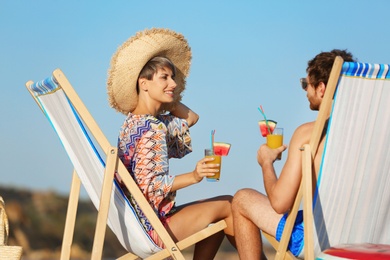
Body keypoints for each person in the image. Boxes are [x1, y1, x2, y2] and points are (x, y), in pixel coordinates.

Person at [107, 28, 236, 259]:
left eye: (173, 77)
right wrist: (195, 176)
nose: (174, 83)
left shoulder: (134, 123)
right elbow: (151, 186)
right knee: (230, 206)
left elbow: (191, 118)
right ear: (143, 83)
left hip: (135, 226)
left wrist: (167, 95)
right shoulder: (153, 128)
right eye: (164, 77)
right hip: (153, 227)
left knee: (220, 214)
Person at [232, 49, 356, 259]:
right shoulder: (379, 134)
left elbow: (281, 203)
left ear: (322, 88)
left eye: (305, 84)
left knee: (242, 199)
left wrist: (266, 163)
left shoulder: (310, 133)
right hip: (370, 240)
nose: (305, 91)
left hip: (322, 240)